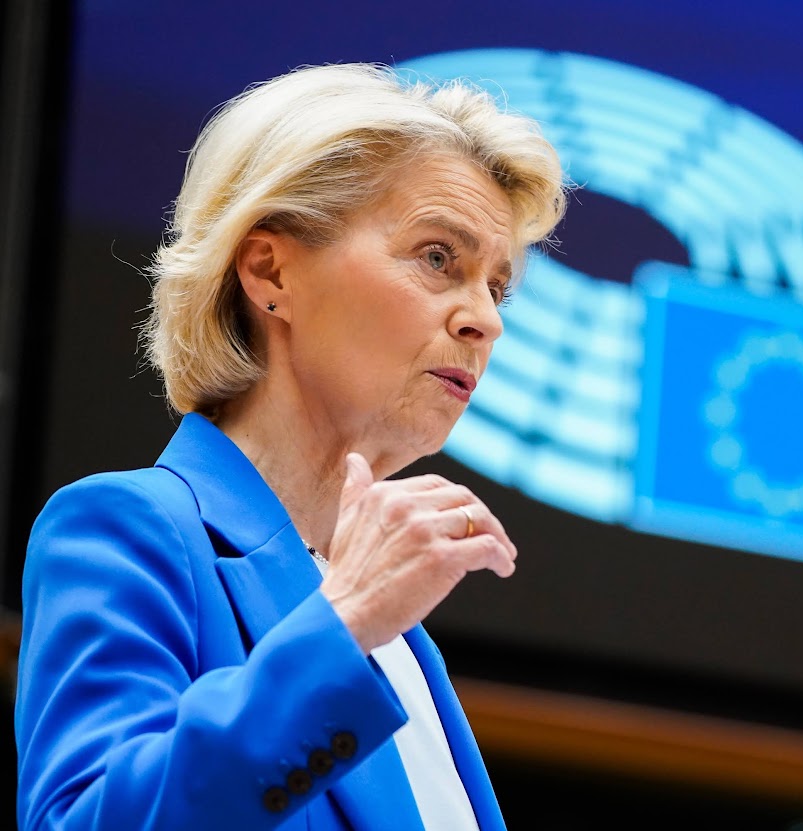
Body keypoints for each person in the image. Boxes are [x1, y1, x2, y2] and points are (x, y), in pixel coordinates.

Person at [15, 63, 565, 831]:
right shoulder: (130, 529)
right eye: (439, 257)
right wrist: (344, 625)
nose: (485, 319)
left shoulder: (402, 642)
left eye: (495, 287)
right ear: (270, 269)